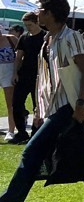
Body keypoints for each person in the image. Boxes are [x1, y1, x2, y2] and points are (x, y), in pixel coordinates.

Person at [0, 0, 84, 202]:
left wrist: (81, 105)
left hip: (68, 107)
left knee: (31, 155)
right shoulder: (47, 39)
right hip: (54, 107)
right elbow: (47, 79)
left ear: (50, 14)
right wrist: (41, 106)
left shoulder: (71, 38)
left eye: (40, 10)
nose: (37, 13)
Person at [10, 12, 43, 144]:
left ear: (37, 22)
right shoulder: (24, 37)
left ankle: (35, 133)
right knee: (16, 104)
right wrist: (15, 73)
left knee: (38, 106)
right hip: (24, 75)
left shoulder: (45, 37)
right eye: (26, 25)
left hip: (40, 76)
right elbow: (18, 57)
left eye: (30, 25)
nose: (28, 27)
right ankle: (21, 132)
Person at [0, 23, 18, 141]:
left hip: (8, 72)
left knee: (10, 104)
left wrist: (16, 72)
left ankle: (11, 130)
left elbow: (20, 54)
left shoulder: (11, 39)